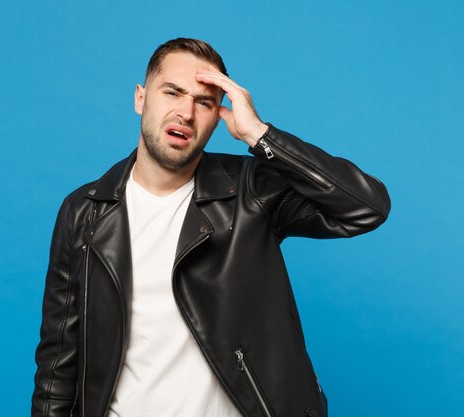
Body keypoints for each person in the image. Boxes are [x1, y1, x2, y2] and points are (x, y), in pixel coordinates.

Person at [31, 38, 391, 417]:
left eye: (203, 102)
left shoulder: (250, 192)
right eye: (172, 92)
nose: (185, 112)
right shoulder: (84, 212)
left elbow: (366, 207)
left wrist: (261, 136)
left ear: (219, 115)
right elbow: (58, 361)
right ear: (141, 98)